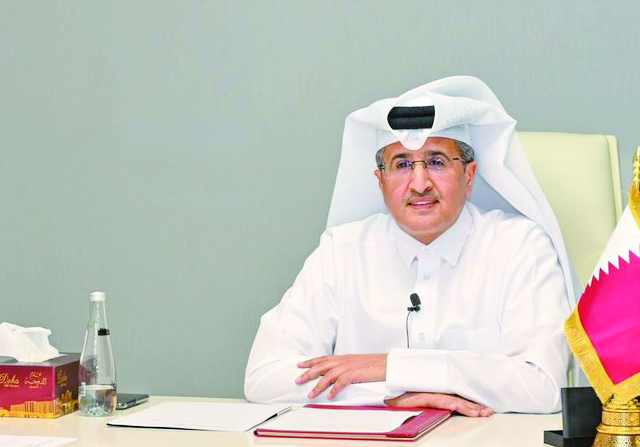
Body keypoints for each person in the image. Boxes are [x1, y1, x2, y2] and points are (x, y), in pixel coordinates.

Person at [244, 76, 575, 415]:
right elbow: (264, 377)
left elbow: (543, 386)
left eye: (436, 162)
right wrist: (389, 395)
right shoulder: (341, 251)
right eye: (402, 164)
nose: (419, 184)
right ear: (380, 180)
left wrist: (391, 368)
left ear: (470, 175)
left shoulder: (521, 248)